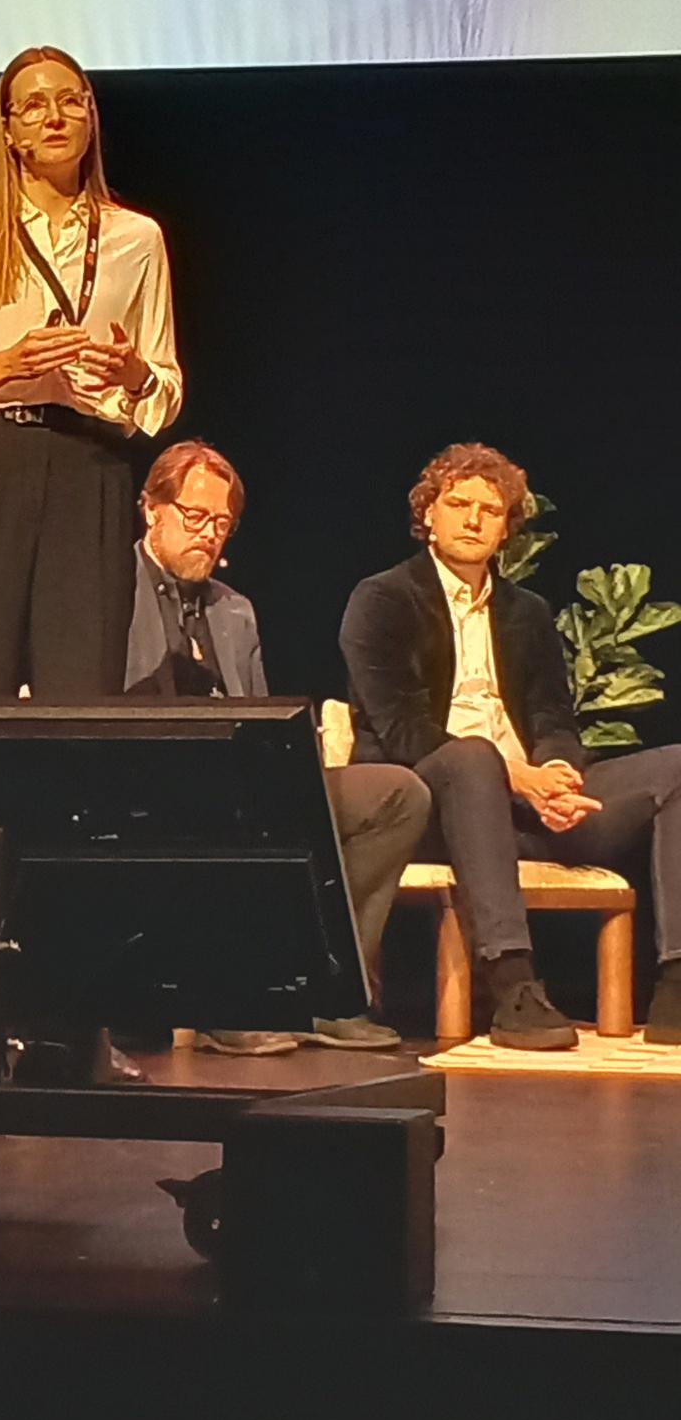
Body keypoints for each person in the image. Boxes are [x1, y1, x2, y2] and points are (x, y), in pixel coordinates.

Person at [340, 441, 681, 1050]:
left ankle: (675, 985)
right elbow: (404, 731)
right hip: (436, 803)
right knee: (473, 756)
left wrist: (557, 774)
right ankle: (513, 986)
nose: (473, 519)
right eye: (458, 504)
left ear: (506, 529)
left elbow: (553, 716)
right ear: (428, 515)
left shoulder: (528, 612)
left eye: (490, 511)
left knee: (676, 767)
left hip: (529, 808)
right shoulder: (383, 599)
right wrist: (516, 776)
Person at [0, 46, 182, 699]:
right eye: (35, 106)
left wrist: (134, 374)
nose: (55, 117)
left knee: (81, 699)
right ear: (9, 130)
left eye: (70, 101)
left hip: (90, 467)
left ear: (90, 119)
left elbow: (165, 392)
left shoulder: (137, 239)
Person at [127, 439, 432, 1050]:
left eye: (222, 524)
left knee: (399, 795)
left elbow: (261, 712)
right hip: (148, 780)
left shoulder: (234, 611)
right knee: (210, 806)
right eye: (195, 516)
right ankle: (228, 998)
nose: (209, 534)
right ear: (151, 509)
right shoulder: (108, 591)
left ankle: (323, 993)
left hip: (241, 779)